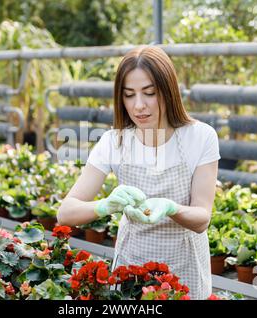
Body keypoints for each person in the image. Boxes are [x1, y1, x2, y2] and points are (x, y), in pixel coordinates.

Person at [57, 45, 220, 300]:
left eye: (149, 93)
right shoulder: (114, 141)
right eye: (129, 95)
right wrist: (105, 205)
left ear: (168, 90)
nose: (139, 106)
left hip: (184, 269)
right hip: (131, 268)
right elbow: (65, 212)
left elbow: (202, 218)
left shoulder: (200, 137)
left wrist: (171, 208)